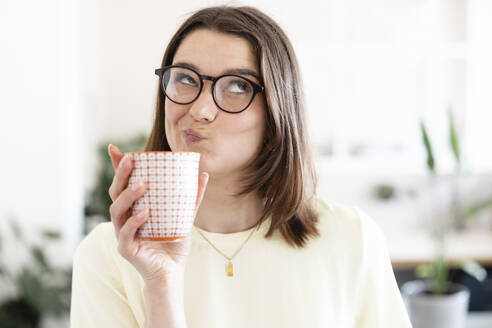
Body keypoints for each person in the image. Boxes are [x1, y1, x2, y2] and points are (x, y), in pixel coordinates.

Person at [70, 5, 412, 328]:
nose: (201, 110)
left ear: (278, 109)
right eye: (186, 79)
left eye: (238, 86)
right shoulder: (109, 255)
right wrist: (161, 284)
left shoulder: (351, 238)